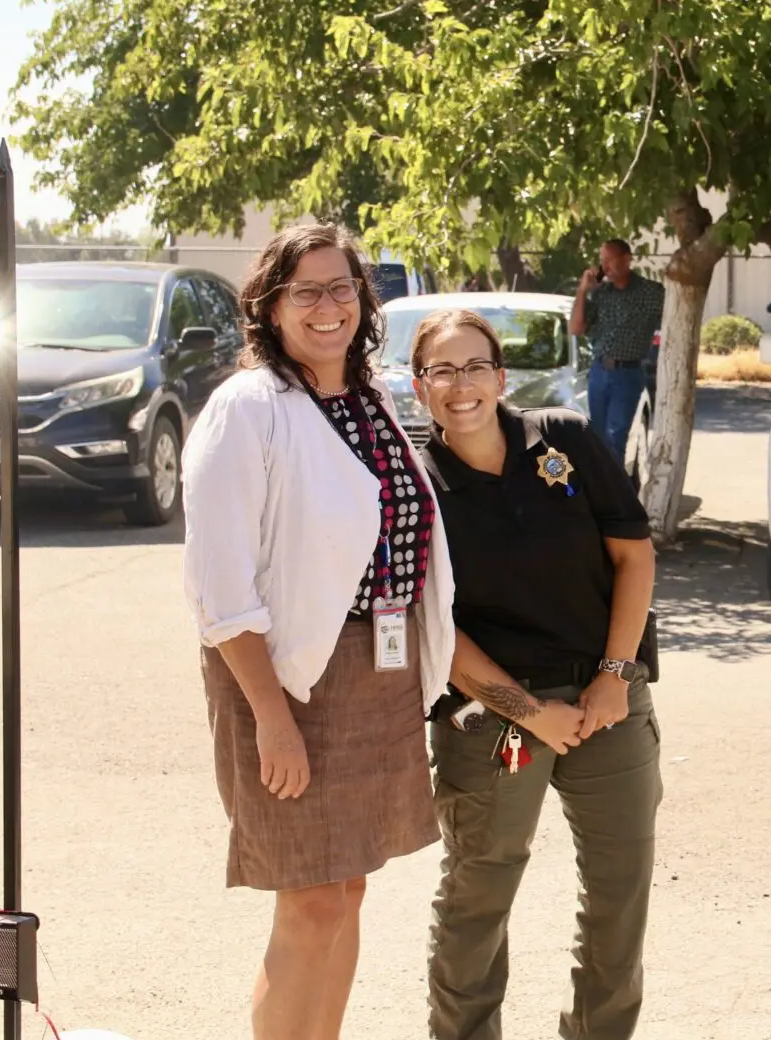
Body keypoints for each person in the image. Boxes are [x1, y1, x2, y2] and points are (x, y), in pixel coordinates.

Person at [181, 224, 457, 1040]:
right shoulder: (245, 409)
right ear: (269, 306)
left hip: (376, 671)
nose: (327, 306)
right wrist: (270, 715)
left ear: (364, 301)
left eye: (342, 288)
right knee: (306, 900)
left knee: (349, 889)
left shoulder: (368, 398)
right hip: (288, 677)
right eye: (305, 291)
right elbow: (219, 588)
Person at [409, 308, 663, 1040]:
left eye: (475, 366)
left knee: (620, 895)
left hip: (606, 701)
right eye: (442, 370)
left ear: (501, 374)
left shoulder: (564, 440)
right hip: (488, 719)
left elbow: (633, 556)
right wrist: (527, 711)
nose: (461, 386)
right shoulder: (414, 483)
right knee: (476, 896)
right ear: (420, 383)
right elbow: (431, 623)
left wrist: (614, 677)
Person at [569, 239, 664, 465]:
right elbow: (575, 328)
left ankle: (614, 495)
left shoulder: (652, 293)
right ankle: (600, 493)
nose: (605, 267)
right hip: (600, 371)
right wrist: (583, 290)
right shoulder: (600, 295)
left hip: (627, 373)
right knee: (597, 439)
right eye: (602, 261)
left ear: (627, 259)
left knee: (615, 438)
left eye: (610, 260)